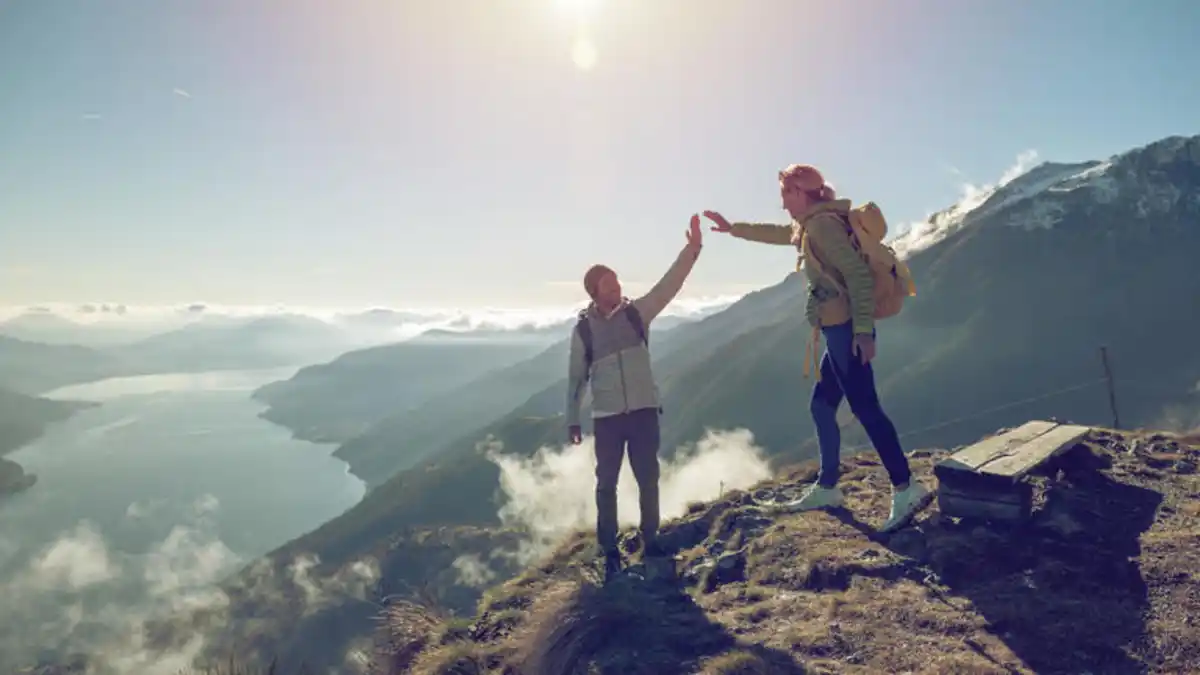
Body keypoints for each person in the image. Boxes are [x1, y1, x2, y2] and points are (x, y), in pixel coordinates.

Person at [704, 164, 928, 533]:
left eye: (785, 195)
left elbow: (856, 274)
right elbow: (781, 234)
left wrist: (864, 331)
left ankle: (906, 487)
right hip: (837, 328)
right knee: (822, 405)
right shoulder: (814, 222)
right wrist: (734, 229)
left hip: (846, 330)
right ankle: (827, 487)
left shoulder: (822, 225)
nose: (782, 204)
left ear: (800, 193)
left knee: (865, 406)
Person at [566, 214, 703, 579]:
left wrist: (692, 250)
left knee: (648, 478)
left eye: (617, 282)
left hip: (643, 411)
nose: (616, 289)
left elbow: (668, 285)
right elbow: (575, 379)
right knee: (606, 485)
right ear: (594, 293)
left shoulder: (637, 314)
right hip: (608, 418)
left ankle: (651, 539)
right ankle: (609, 550)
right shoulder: (584, 331)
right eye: (608, 286)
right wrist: (572, 419)